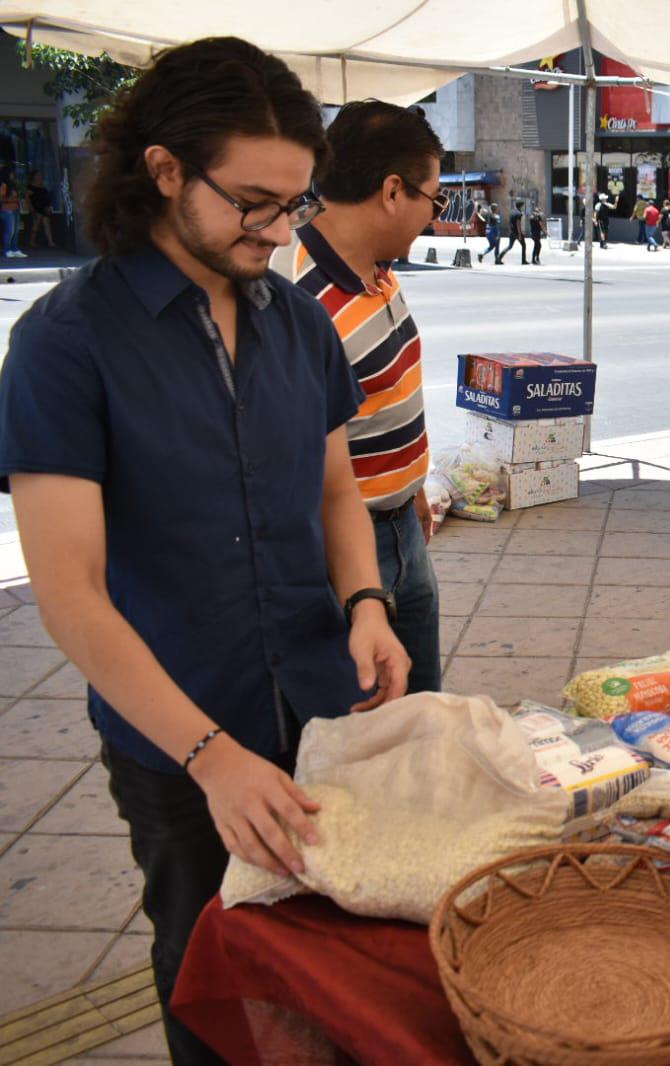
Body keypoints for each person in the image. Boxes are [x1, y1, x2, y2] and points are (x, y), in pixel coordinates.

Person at [0, 37, 409, 1064]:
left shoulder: (301, 325)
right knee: (215, 988)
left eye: (295, 205)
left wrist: (367, 605)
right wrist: (211, 757)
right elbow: (71, 594)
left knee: (336, 974)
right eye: (253, 203)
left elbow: (336, 493)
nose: (278, 230)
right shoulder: (65, 343)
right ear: (166, 169)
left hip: (319, 710)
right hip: (178, 743)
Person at [273, 99, 445, 698]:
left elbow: (386, 388)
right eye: (435, 199)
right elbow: (300, 463)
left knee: (423, 711)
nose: (433, 216)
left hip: (404, 527)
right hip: (346, 550)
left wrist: (413, 485)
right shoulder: (295, 300)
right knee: (371, 722)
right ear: (393, 191)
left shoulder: (376, 266)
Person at [26, 170, 54, 250]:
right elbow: (27, 198)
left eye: (40, 175)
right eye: (38, 175)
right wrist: (30, 207)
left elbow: (46, 197)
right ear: (34, 176)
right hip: (36, 207)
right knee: (36, 224)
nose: (40, 176)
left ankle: (51, 242)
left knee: (47, 224)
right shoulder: (31, 186)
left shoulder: (42, 186)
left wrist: (49, 206)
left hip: (44, 207)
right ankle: (32, 241)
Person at [0, 172, 23, 258]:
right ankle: (7, 249)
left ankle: (15, 249)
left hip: (15, 208)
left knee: (16, 230)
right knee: (10, 231)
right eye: (11, 174)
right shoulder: (4, 185)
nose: (13, 175)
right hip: (7, 209)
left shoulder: (13, 185)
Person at [506, 199, 529, 264]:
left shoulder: (512, 212)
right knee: (524, 245)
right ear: (521, 206)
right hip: (516, 232)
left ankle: (499, 257)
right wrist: (519, 234)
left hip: (511, 232)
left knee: (509, 246)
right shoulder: (519, 214)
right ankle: (523, 260)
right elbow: (518, 224)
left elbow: (509, 222)